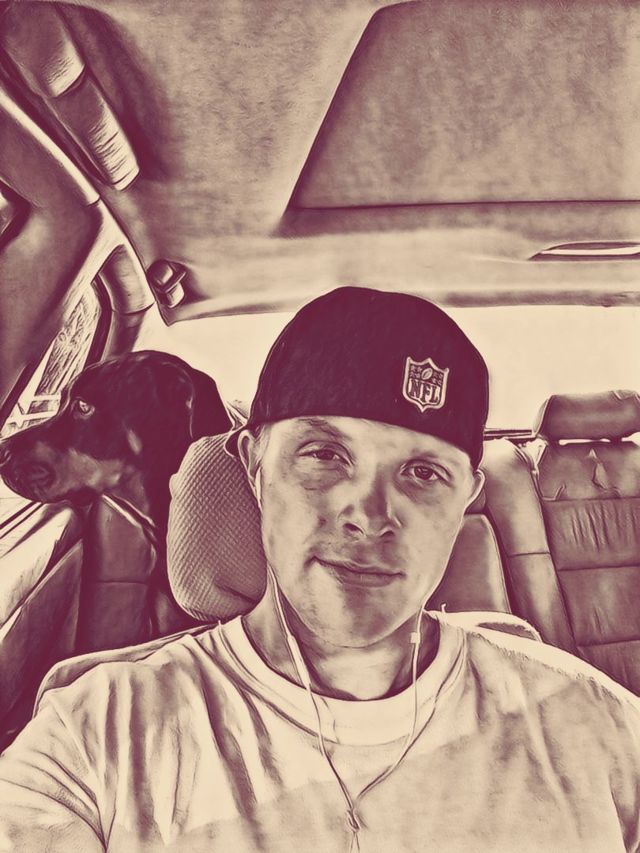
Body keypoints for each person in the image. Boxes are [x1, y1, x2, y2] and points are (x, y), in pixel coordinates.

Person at [0, 286, 638, 853]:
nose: (370, 517)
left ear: (466, 498)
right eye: (325, 455)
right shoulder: (94, 735)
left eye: (423, 472)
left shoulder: (595, 721)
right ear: (253, 465)